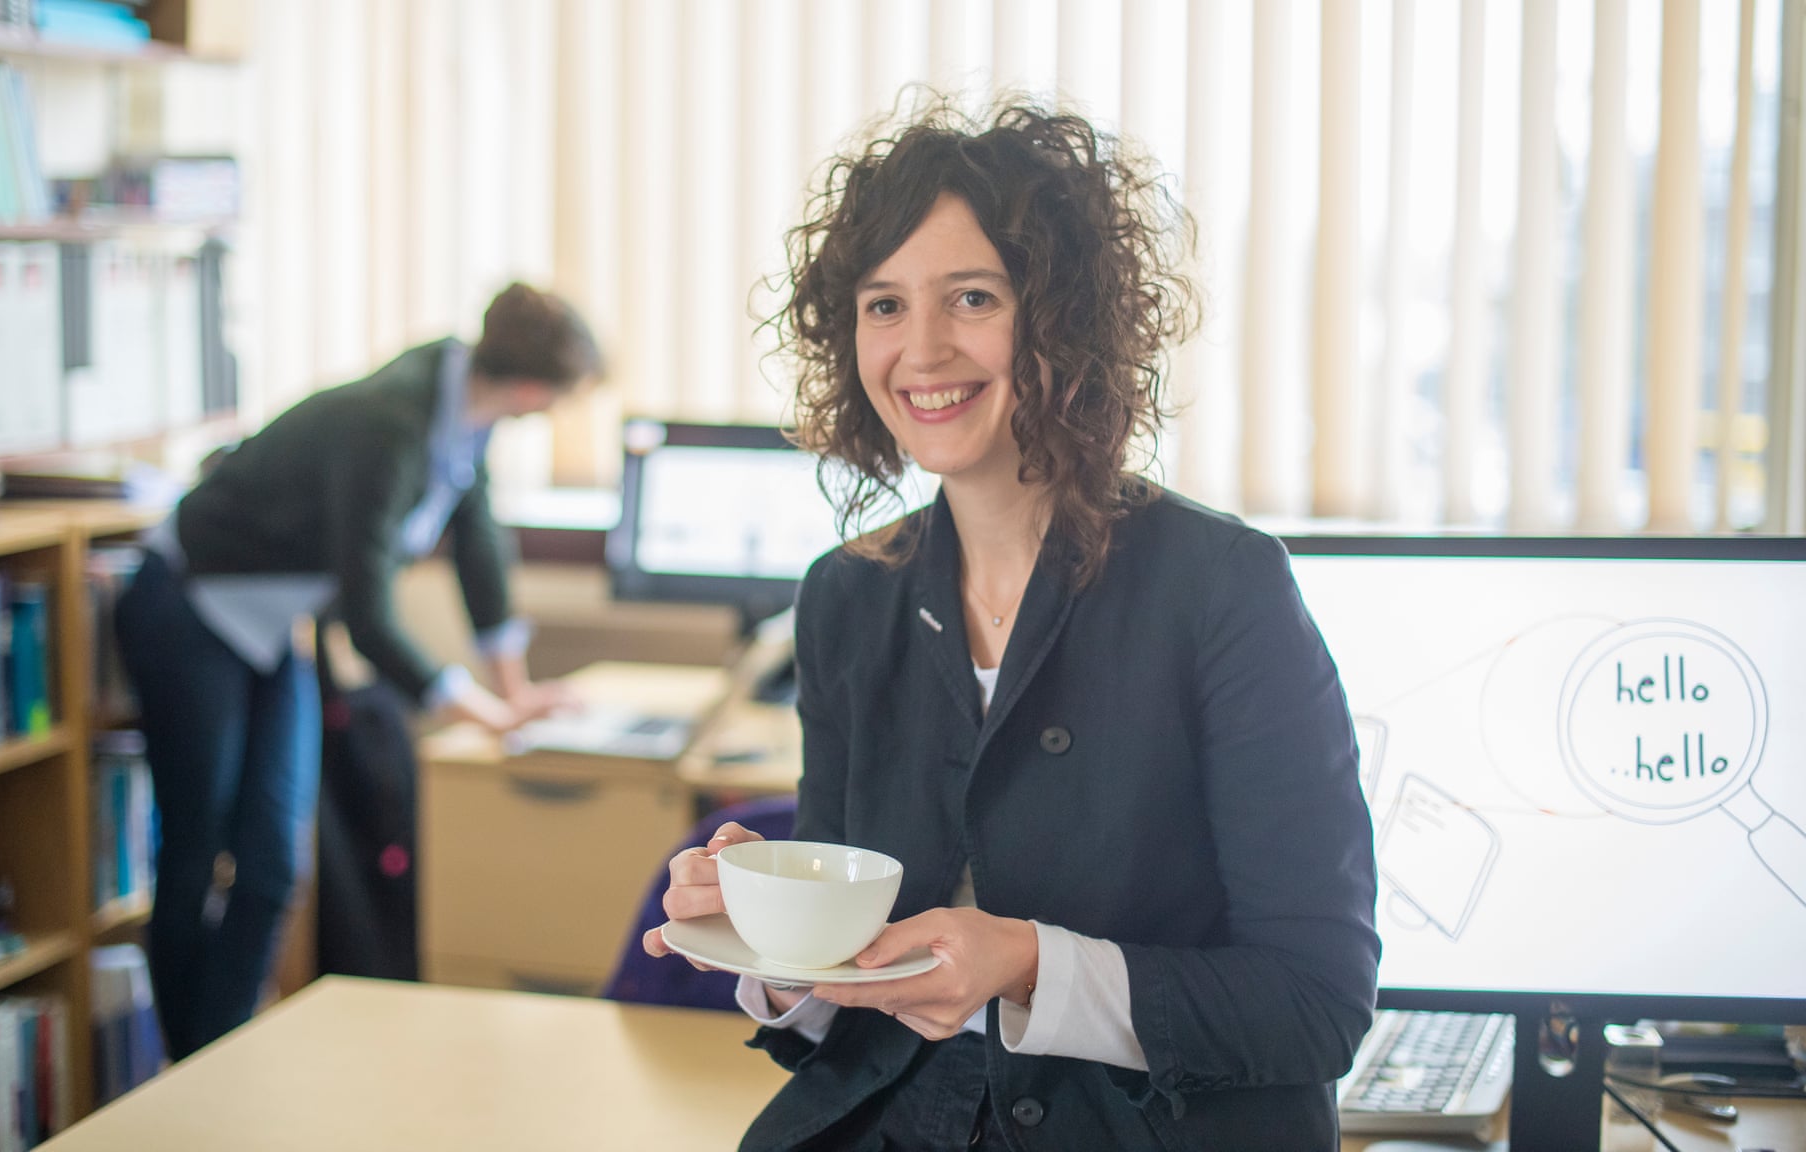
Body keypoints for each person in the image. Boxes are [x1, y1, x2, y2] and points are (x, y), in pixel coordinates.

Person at [643, 100, 1380, 1150]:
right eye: (884, 305)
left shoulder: (1224, 589)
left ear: (1065, 320)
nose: (922, 348)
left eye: (972, 297)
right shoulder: (847, 597)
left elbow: (1315, 1004)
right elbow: (843, 998)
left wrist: (1030, 963)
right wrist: (761, 936)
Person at [115, 282, 599, 1058]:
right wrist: (479, 712)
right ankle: (188, 1060)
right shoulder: (393, 423)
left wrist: (517, 690)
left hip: (270, 627)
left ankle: (220, 1049)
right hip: (191, 606)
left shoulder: (463, 409)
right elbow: (369, 613)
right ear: (534, 389)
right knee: (195, 851)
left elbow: (478, 544)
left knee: (275, 860)